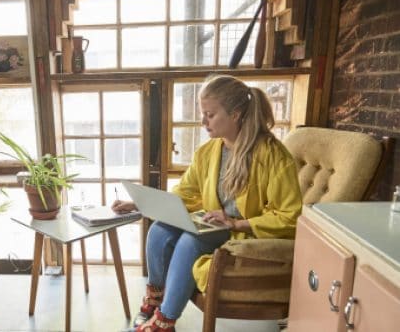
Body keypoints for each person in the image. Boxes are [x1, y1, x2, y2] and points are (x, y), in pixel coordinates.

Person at [112, 75, 302, 332]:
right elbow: (186, 193)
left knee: (191, 240)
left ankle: (166, 321)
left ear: (234, 115)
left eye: (210, 115)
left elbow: (290, 216)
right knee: (159, 229)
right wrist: (138, 203)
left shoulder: (273, 155)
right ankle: (154, 299)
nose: (203, 122)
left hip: (243, 232)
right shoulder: (208, 151)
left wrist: (237, 222)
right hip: (212, 222)